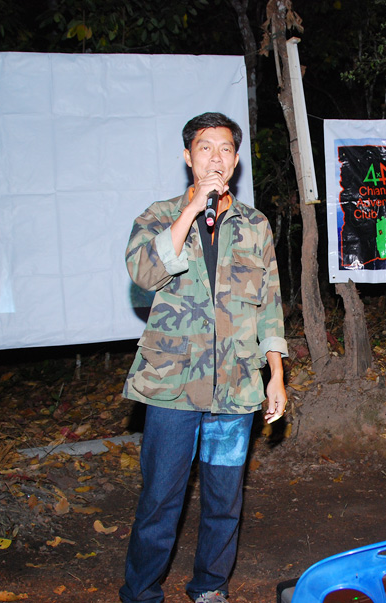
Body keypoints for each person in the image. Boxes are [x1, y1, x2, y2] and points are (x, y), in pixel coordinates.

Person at [119, 112, 288, 603]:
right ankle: (141, 593)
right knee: (161, 500)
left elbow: (270, 305)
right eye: (205, 148)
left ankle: (211, 586)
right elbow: (144, 273)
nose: (216, 157)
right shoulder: (160, 215)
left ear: (236, 161)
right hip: (173, 387)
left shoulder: (255, 225)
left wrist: (276, 375)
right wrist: (193, 208)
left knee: (224, 498)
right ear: (188, 157)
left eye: (225, 149)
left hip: (236, 388)